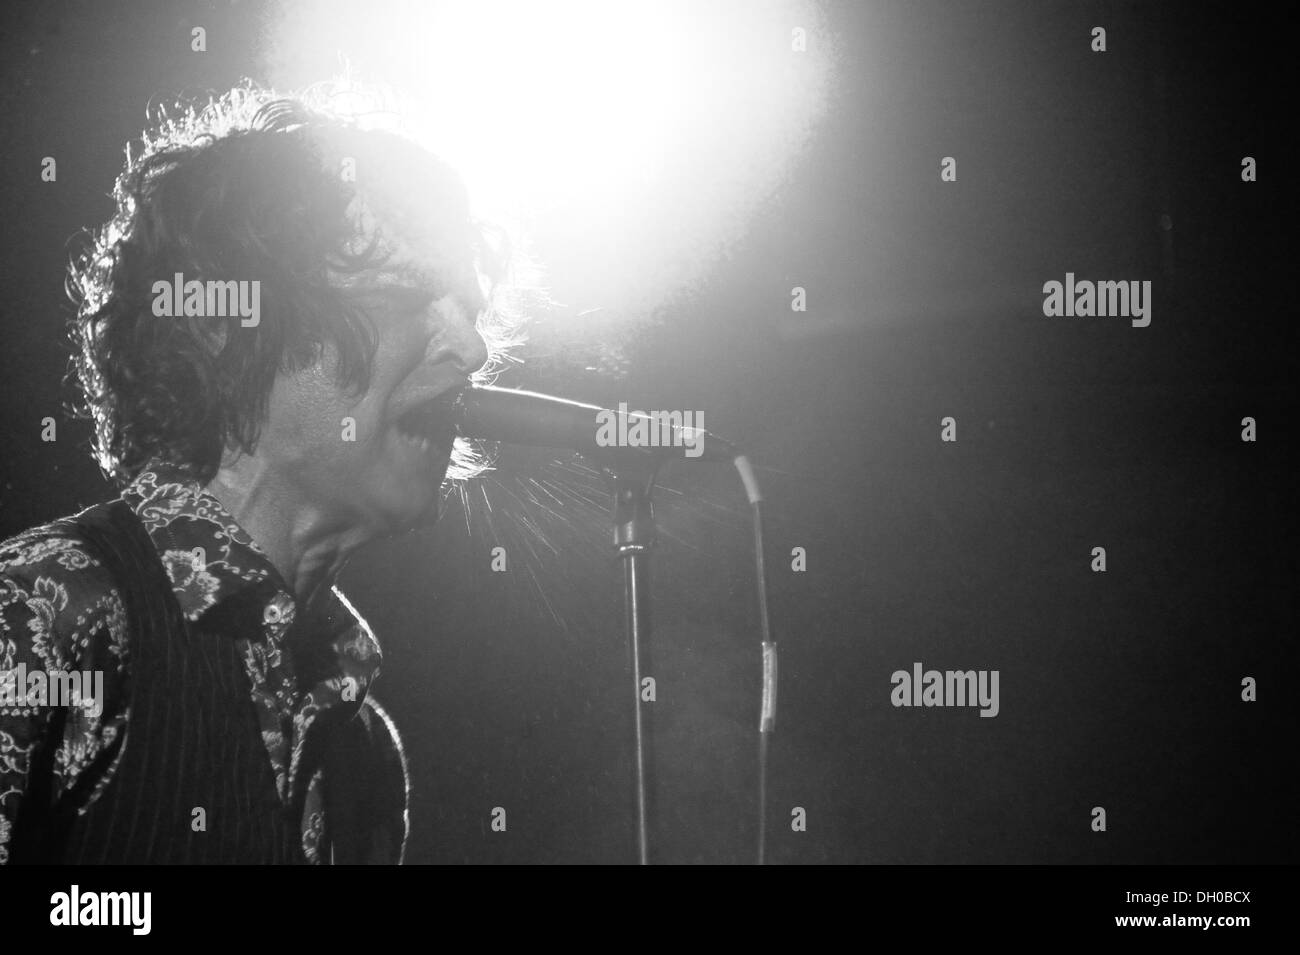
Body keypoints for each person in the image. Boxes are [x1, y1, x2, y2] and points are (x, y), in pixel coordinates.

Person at [0, 83, 516, 864]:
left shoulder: (363, 748)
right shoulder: (44, 613)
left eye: (471, 310)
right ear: (232, 329)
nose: (472, 351)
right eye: (410, 295)